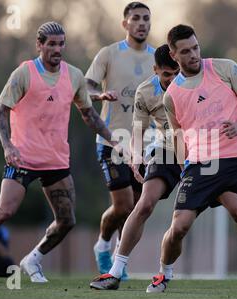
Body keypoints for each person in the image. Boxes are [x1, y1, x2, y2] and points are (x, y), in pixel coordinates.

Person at [0, 21, 124, 283]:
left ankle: (33, 259)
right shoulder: (24, 73)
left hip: (56, 160)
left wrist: (113, 140)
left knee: (66, 221)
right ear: (39, 45)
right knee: (3, 211)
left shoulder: (73, 75)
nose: (57, 49)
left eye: (61, 44)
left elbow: (89, 115)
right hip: (23, 158)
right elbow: (0, 112)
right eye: (51, 44)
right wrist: (8, 145)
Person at [89, 44, 237, 290]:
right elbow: (137, 131)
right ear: (155, 70)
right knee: (145, 203)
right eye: (166, 74)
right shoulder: (146, 91)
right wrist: (136, 156)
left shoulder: (197, 83)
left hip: (204, 153)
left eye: (175, 72)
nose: (172, 79)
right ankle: (115, 272)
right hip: (168, 150)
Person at [145, 25, 237, 293]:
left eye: (196, 47)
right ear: (174, 55)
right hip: (202, 167)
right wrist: (183, 167)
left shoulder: (225, 68)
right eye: (185, 51)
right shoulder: (171, 95)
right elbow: (178, 134)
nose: (194, 55)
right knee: (179, 228)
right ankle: (164, 273)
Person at [85, 1, 155, 280]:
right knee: (124, 204)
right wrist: (99, 96)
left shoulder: (158, 57)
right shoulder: (109, 54)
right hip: (112, 141)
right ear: (125, 23)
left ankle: (118, 260)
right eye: (136, 18)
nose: (142, 23)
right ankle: (103, 246)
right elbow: (86, 88)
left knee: (138, 208)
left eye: (146, 19)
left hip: (144, 144)